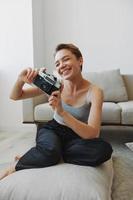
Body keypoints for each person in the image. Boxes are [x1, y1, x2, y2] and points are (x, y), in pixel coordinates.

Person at [0, 43, 113, 180]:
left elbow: (92, 134)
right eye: (57, 64)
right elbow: (15, 96)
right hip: (53, 129)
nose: (61, 65)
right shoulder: (54, 85)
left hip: (77, 135)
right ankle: (19, 163)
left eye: (66, 59)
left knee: (104, 150)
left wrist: (62, 112)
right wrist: (20, 79)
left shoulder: (95, 92)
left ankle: (50, 152)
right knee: (51, 149)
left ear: (80, 60)